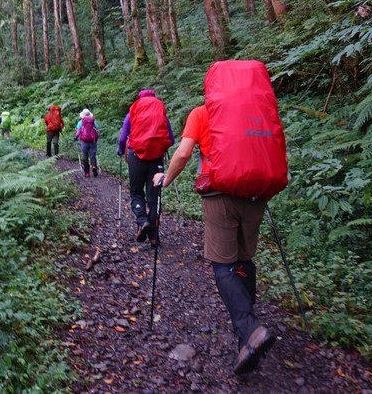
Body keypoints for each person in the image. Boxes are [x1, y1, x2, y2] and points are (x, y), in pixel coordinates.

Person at [153, 104, 275, 375]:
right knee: (244, 260)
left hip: (219, 195)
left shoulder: (201, 113)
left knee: (224, 264)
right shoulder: (256, 112)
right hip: (256, 193)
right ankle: (247, 336)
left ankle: (250, 329)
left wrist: (167, 178)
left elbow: (184, 152)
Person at [117, 89, 174, 247]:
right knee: (154, 196)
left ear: (139, 99)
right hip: (156, 159)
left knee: (136, 192)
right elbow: (171, 138)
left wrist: (121, 150)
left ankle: (142, 221)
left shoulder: (133, 112)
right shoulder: (161, 114)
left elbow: (123, 138)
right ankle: (154, 237)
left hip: (136, 157)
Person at [74, 109, 99, 178]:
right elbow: (97, 131)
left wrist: (75, 138)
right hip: (93, 141)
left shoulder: (80, 122)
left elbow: (78, 132)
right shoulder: (93, 122)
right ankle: (94, 166)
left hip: (84, 142)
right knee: (93, 155)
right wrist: (96, 138)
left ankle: (87, 173)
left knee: (85, 157)